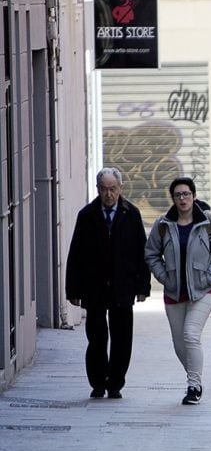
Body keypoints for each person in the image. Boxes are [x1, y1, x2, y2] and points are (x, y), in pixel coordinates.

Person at [145, 177, 211, 405]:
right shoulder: (163, 225)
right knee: (178, 344)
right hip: (174, 292)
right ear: (172, 199)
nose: (182, 199)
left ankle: (193, 386)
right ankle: (196, 377)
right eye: (178, 195)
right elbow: (151, 253)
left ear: (194, 196)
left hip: (203, 290)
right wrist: (164, 276)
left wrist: (209, 276)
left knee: (190, 335)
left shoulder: (208, 222)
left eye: (186, 194)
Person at [65, 167, 150, 400]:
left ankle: (115, 384)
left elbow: (142, 251)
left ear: (120, 188)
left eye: (113, 189)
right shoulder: (87, 215)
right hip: (95, 288)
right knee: (96, 338)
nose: (109, 194)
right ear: (98, 189)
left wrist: (143, 287)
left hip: (123, 287)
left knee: (122, 338)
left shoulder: (131, 213)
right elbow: (76, 254)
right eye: (104, 189)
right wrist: (73, 289)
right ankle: (97, 382)